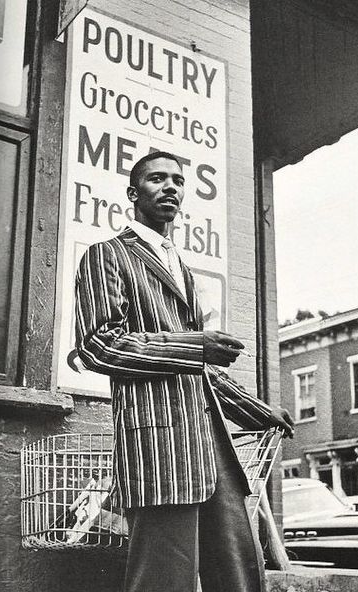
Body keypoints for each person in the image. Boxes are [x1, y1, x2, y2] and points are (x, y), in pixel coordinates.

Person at [75, 151, 294, 592]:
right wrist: (197, 345)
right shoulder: (107, 256)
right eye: (158, 179)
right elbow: (100, 345)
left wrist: (257, 411)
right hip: (160, 448)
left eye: (178, 180)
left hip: (210, 445)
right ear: (133, 194)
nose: (171, 186)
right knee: (164, 579)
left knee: (238, 573)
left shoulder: (183, 269)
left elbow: (200, 370)